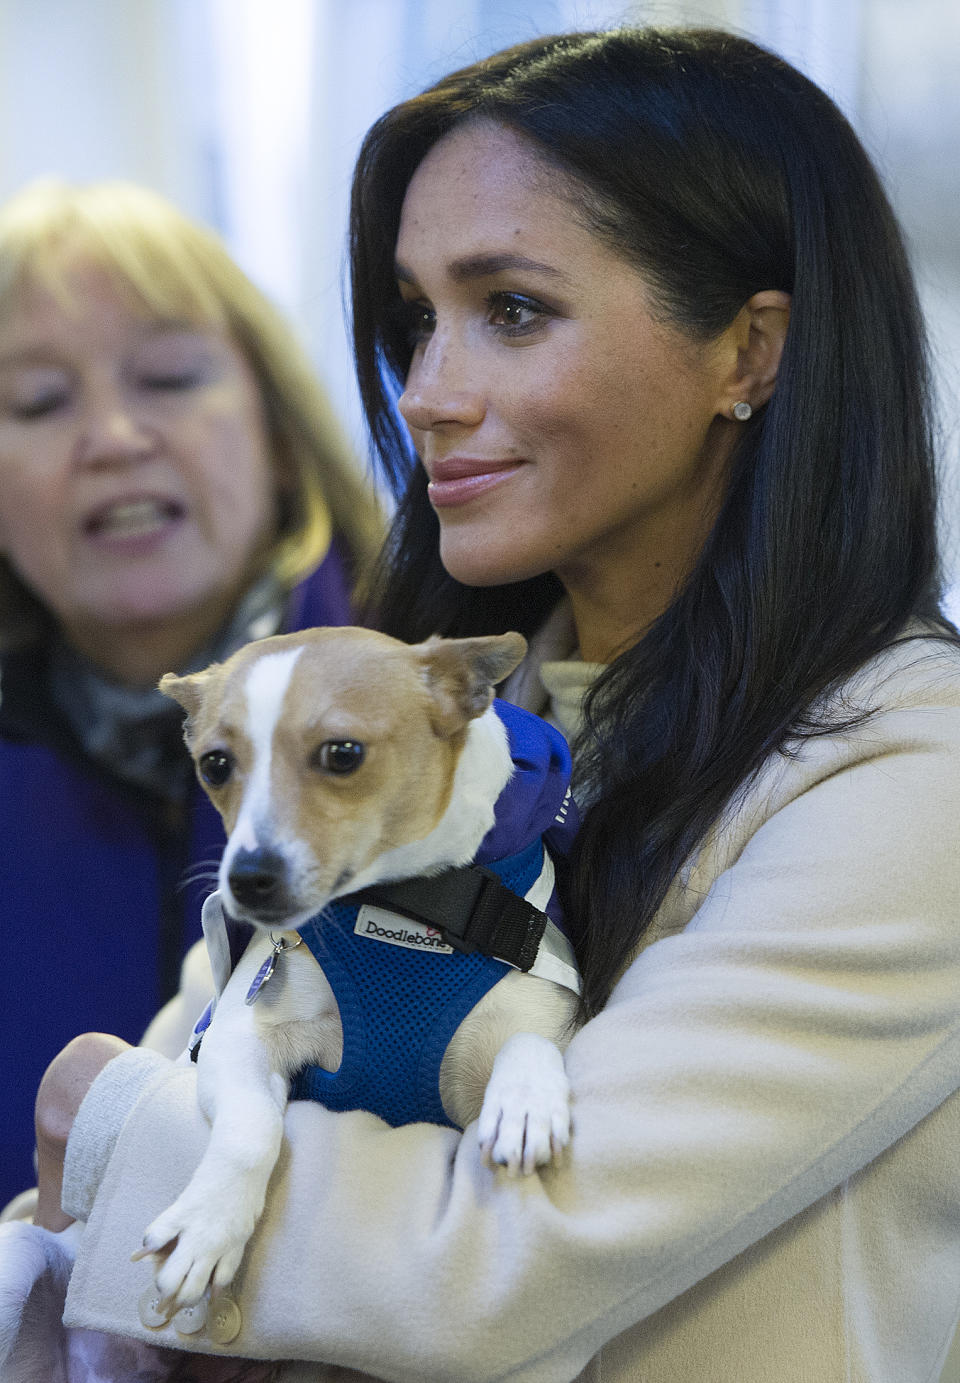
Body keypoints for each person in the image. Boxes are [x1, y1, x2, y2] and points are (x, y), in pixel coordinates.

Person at [16, 26, 960, 1382]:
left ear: (749, 353)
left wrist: (107, 1127)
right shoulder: (427, 713)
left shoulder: (910, 761)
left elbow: (509, 1253)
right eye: (413, 320)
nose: (426, 393)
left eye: (510, 309)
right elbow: (189, 1068)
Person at [0, 179, 381, 1209]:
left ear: (277, 427)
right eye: (38, 401)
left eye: (168, 377)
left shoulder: (448, 715)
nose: (114, 437)